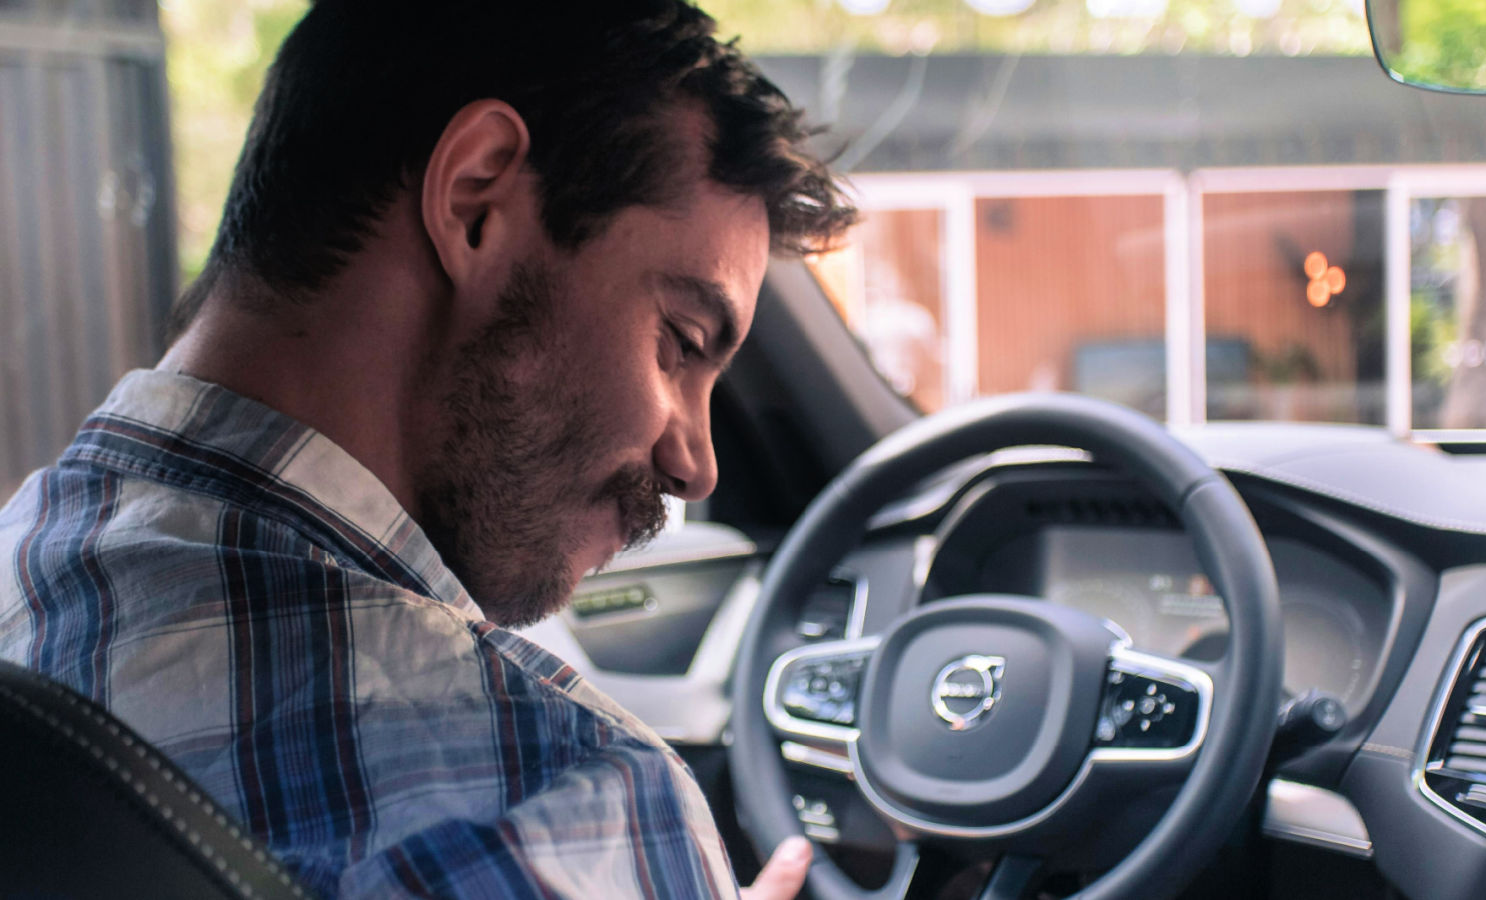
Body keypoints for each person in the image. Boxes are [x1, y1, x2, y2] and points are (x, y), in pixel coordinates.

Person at [0, 0, 856, 897]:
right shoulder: (565, 800)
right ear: (475, 197)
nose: (697, 463)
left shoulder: (30, 572)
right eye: (681, 341)